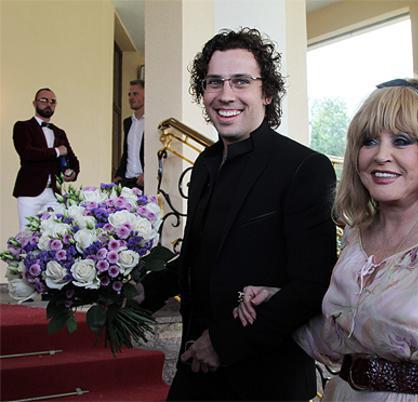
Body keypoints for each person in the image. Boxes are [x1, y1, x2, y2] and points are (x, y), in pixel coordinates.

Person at [234, 77, 418, 400]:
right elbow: (344, 337)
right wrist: (279, 300)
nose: (380, 155)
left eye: (402, 141)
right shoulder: (355, 237)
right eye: (369, 141)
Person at [138, 28, 337, 401]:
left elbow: (313, 285)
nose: (225, 94)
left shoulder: (303, 167)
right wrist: (142, 291)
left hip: (265, 376)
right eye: (214, 82)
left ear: (267, 92)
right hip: (194, 365)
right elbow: (200, 257)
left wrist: (223, 343)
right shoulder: (205, 163)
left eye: (241, 81)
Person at [13, 88, 80, 231]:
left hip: (54, 193)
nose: (49, 104)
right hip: (30, 191)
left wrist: (72, 172)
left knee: (55, 235)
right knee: (27, 235)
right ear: (34, 103)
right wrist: (56, 151)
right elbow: (27, 153)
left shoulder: (59, 132)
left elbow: (72, 159)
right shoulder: (22, 127)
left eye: (53, 101)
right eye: (44, 100)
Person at [113, 79, 145, 190]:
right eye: (129, 94)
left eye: (135, 94)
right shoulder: (128, 122)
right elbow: (127, 151)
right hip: (127, 181)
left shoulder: (151, 122)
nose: (131, 98)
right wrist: (118, 175)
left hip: (143, 181)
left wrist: (148, 173)